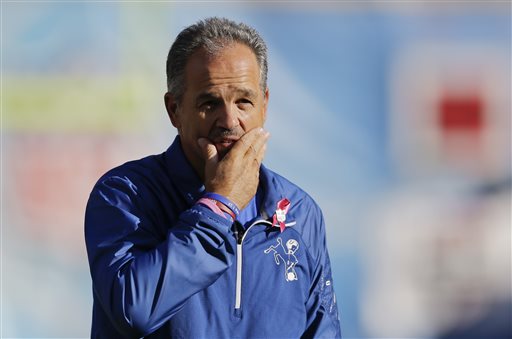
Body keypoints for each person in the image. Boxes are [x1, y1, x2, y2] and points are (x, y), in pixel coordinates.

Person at [85, 17, 341, 338]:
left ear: (265, 105)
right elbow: (135, 310)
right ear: (174, 110)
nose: (229, 120)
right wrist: (219, 205)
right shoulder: (125, 195)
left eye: (244, 102)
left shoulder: (300, 213)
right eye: (209, 103)